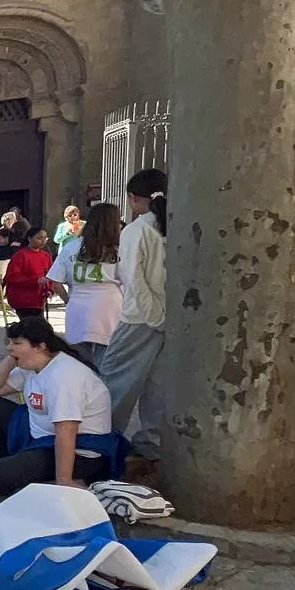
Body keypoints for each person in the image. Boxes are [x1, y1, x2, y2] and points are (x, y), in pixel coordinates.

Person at [0, 318, 123, 496]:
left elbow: (66, 431)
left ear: (40, 347)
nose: (10, 347)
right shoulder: (34, 365)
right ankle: (14, 464)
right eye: (10, 342)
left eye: (17, 343)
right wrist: (12, 357)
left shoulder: (64, 377)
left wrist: (64, 480)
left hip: (80, 451)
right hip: (42, 435)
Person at [98, 168, 169, 461]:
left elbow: (135, 281)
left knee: (115, 380)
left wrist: (155, 317)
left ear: (132, 198)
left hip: (141, 318)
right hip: (168, 317)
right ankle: (151, 441)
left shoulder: (137, 230)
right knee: (157, 383)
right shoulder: (172, 225)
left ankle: (101, 439)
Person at [47, 202, 124, 367]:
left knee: (79, 362)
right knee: (106, 363)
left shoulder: (71, 247)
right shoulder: (119, 249)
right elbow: (129, 281)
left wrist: (68, 299)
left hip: (78, 307)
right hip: (110, 308)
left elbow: (56, 282)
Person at [3, 226, 55, 319]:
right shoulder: (20, 255)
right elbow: (12, 277)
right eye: (39, 238)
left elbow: (50, 275)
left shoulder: (46, 256)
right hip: (23, 299)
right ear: (29, 238)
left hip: (39, 298)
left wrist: (49, 289)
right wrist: (35, 280)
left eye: (44, 238)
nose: (42, 241)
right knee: (29, 327)